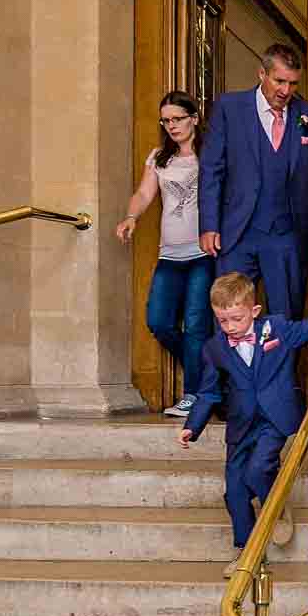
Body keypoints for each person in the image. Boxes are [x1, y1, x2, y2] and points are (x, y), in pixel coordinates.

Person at [179, 271, 308, 563]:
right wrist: (191, 427)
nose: (230, 327)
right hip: (240, 424)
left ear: (254, 311)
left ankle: (277, 504)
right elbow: (208, 392)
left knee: (258, 470)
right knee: (234, 492)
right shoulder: (214, 348)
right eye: (223, 320)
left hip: (275, 418)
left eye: (237, 319)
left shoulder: (277, 328)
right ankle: (247, 553)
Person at [198, 42, 308, 327]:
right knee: (227, 317)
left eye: (293, 83)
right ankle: (233, 374)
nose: (285, 91)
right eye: (279, 81)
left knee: (285, 322)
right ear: (262, 73)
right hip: (237, 233)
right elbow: (212, 170)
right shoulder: (228, 108)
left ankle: (280, 374)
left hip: (287, 236)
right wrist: (209, 224)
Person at [116, 90, 212, 419]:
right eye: (166, 120)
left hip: (202, 254)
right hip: (169, 256)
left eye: (177, 119)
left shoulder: (210, 154)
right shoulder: (159, 158)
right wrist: (131, 217)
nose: (171, 126)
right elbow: (145, 192)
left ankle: (195, 395)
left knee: (198, 324)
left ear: (194, 118)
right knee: (159, 321)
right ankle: (208, 370)